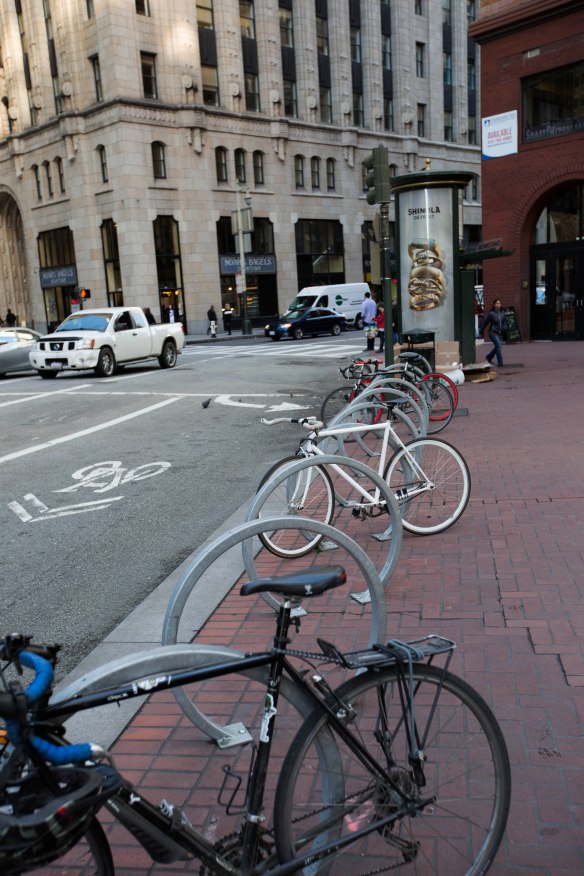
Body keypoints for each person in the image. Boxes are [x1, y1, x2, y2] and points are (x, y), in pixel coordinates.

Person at [479, 298, 507, 366]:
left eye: (499, 303)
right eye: (497, 303)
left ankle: (489, 357)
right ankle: (500, 364)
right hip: (493, 332)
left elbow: (504, 322)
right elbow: (485, 323)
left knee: (498, 347)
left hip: (500, 333)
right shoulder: (491, 314)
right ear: (494, 305)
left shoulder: (503, 313)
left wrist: (505, 327)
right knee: (498, 346)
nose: (498, 304)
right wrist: (481, 331)